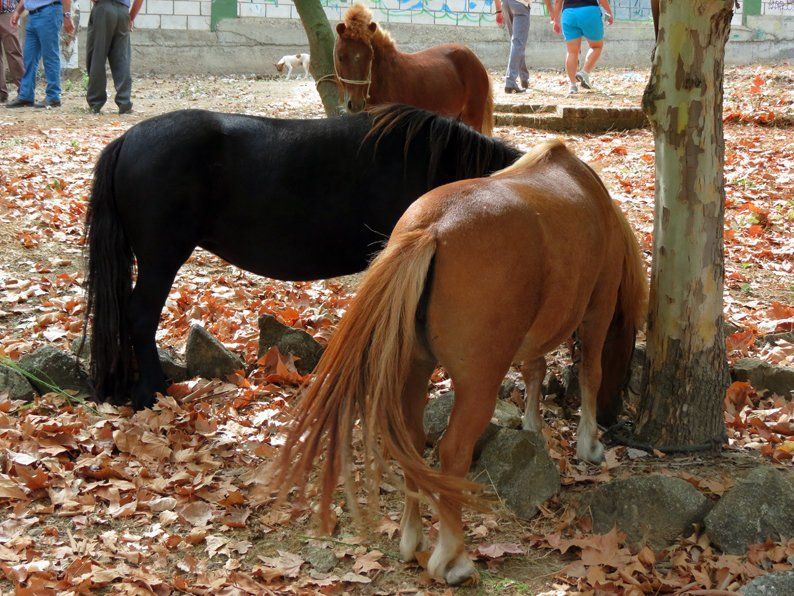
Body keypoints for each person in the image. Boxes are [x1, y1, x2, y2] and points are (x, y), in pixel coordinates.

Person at [6, 0, 73, 108]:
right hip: (32, 15)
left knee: (50, 56)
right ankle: (26, 95)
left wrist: (67, 15)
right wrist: (17, 12)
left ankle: (53, 96)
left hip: (49, 11)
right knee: (29, 58)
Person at [86, 0, 143, 114]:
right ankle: (124, 102)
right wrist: (130, 17)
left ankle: (96, 103)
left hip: (103, 8)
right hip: (123, 11)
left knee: (97, 56)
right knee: (122, 59)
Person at [550, 0, 613, 94]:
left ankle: (572, 85)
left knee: (572, 52)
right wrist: (609, 12)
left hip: (569, 14)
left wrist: (556, 20)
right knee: (596, 46)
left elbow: (558, 1)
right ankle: (584, 72)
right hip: (589, 12)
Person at [496, 0, 531, 94]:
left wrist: (499, 10)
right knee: (518, 43)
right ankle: (510, 82)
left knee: (516, 44)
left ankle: (524, 78)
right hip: (520, 5)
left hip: (506, 4)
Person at [0, 0, 24, 103]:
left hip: (7, 12)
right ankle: (1, 93)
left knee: (14, 52)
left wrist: (17, 13)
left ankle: (24, 91)